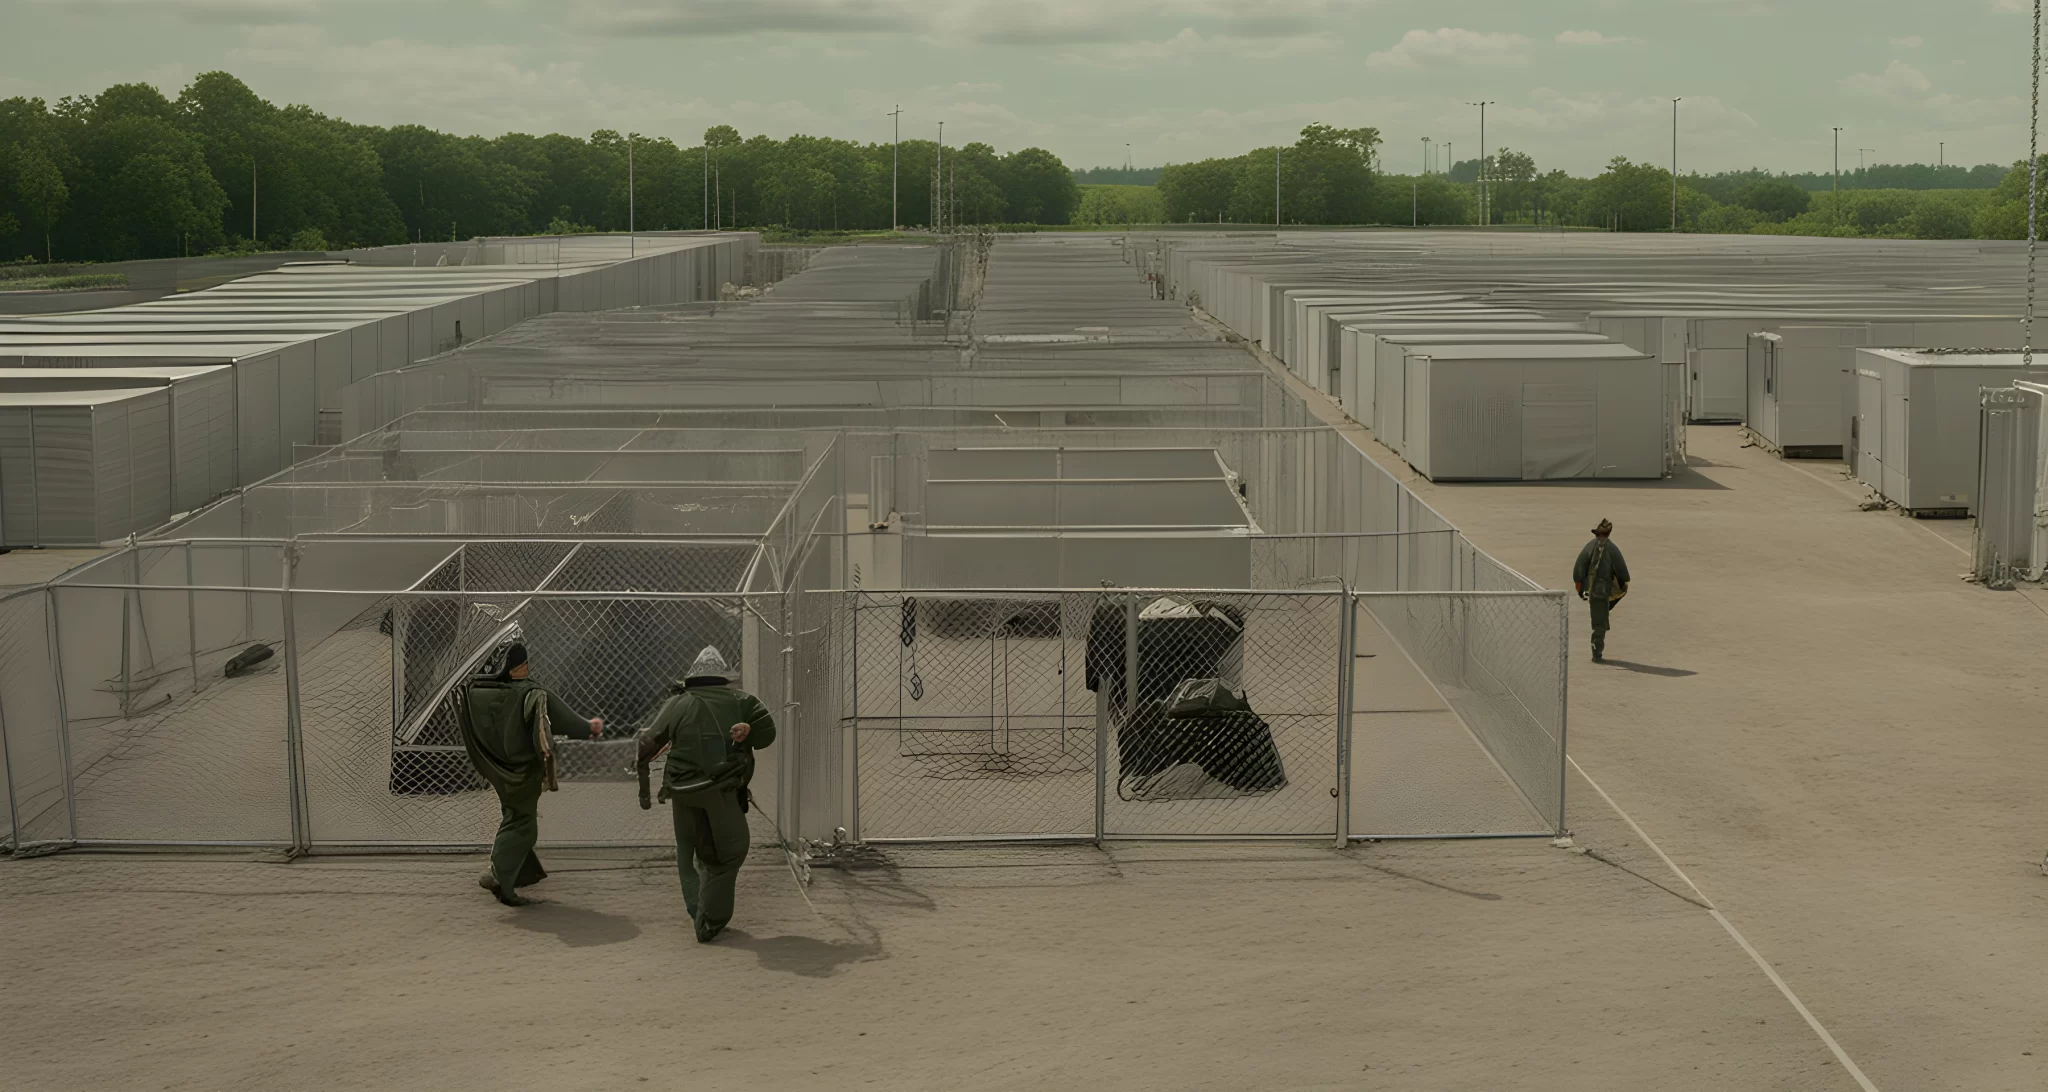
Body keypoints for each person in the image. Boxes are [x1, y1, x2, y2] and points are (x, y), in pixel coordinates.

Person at [636, 646, 776, 943]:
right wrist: (748, 729)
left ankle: (697, 908)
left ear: (692, 679)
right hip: (721, 790)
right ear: (723, 677)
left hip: (681, 790)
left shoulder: (677, 702)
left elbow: (648, 741)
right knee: (731, 851)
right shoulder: (743, 701)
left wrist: (643, 784)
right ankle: (710, 919)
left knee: (688, 850)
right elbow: (768, 733)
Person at [456, 634, 602, 906]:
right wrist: (590, 727)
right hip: (523, 772)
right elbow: (564, 720)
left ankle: (520, 872)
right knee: (524, 826)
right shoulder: (532, 693)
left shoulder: (477, 693)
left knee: (512, 815)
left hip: (497, 769)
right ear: (520, 665)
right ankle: (499, 876)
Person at [1572, 519, 1631, 663]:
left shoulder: (1611, 549)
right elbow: (1580, 564)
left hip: (1603, 589)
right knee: (1600, 622)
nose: (1601, 538)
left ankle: (1597, 646)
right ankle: (1596, 649)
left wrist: (1623, 582)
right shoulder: (1592, 547)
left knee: (1600, 618)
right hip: (1596, 590)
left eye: (1603, 535)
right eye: (1599, 535)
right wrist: (1579, 583)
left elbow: (1622, 570)